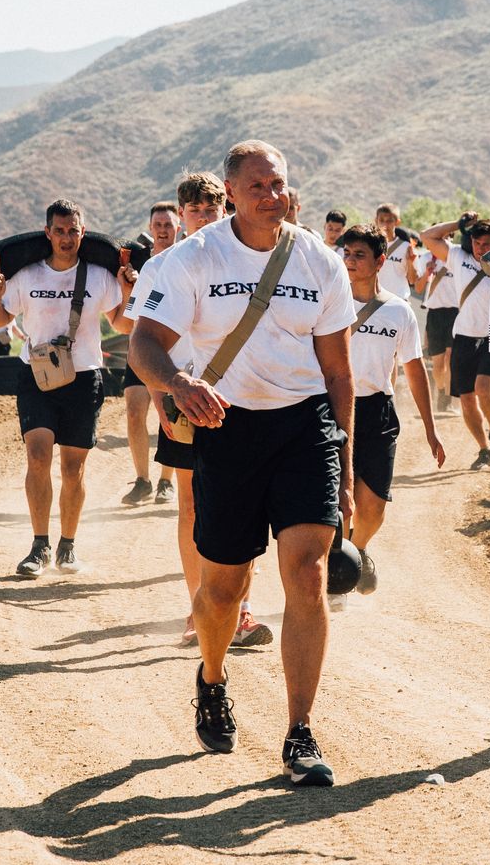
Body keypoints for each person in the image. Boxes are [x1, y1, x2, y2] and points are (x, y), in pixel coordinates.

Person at [133, 139, 354, 786]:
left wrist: (342, 461)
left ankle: (300, 733)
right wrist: (177, 384)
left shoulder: (318, 261)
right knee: (224, 588)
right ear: (230, 193)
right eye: (256, 185)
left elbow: (339, 373)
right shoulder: (194, 259)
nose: (270, 194)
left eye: (278, 183)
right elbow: (145, 343)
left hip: (304, 426)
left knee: (308, 575)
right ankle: (212, 675)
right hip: (225, 424)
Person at [123, 173, 271, 649]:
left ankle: (241, 610)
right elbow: (140, 342)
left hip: (243, 397)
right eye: (195, 212)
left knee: (245, 506)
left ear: (224, 208)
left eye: (212, 211)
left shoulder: (246, 259)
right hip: (183, 399)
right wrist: (159, 394)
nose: (204, 219)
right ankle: (198, 608)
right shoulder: (161, 267)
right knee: (190, 506)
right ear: (180, 216)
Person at [0, 199, 130, 578]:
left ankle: (68, 545)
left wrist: (127, 291)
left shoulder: (99, 277)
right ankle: (39, 546)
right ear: (47, 232)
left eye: (73, 231)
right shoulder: (28, 276)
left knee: (72, 467)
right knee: (37, 455)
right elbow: (0, 319)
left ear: (83, 233)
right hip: (35, 374)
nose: (66, 238)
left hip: (84, 377)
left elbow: (124, 325)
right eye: (60, 231)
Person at [337, 226, 445, 597]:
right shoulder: (329, 304)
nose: (350, 261)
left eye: (359, 255)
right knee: (339, 498)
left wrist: (431, 429)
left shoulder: (400, 312)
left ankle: (358, 549)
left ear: (380, 261)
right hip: (332, 407)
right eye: (347, 253)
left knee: (375, 505)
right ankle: (337, 572)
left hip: (377, 411)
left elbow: (414, 370)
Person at [419, 214, 490, 467]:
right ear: (471, 242)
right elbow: (427, 236)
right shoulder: (458, 257)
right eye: (478, 243)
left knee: (483, 387)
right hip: (464, 333)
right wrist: (457, 225)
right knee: (466, 397)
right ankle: (484, 449)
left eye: (488, 243)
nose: (482, 248)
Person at [119, 201, 183, 506]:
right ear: (150, 229)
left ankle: (166, 481)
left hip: (170, 352)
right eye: (157, 225)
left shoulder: (185, 262)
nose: (162, 230)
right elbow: (124, 322)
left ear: (178, 228)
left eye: (167, 225)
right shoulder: (143, 269)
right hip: (139, 349)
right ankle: (142, 480)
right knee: (134, 412)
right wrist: (125, 290)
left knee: (167, 415)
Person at [415, 242, 456, 413]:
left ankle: (447, 399)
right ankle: (441, 393)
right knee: (438, 363)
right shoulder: (424, 258)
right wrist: (427, 272)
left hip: (455, 312)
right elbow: (417, 287)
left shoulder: (457, 256)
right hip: (434, 314)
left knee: (450, 359)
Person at [373, 204, 416, 302]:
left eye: (389, 221)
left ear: (397, 222)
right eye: (382, 220)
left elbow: (412, 280)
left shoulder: (406, 247)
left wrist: (410, 261)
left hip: (399, 300)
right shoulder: (370, 245)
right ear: (376, 221)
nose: (385, 225)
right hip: (375, 301)